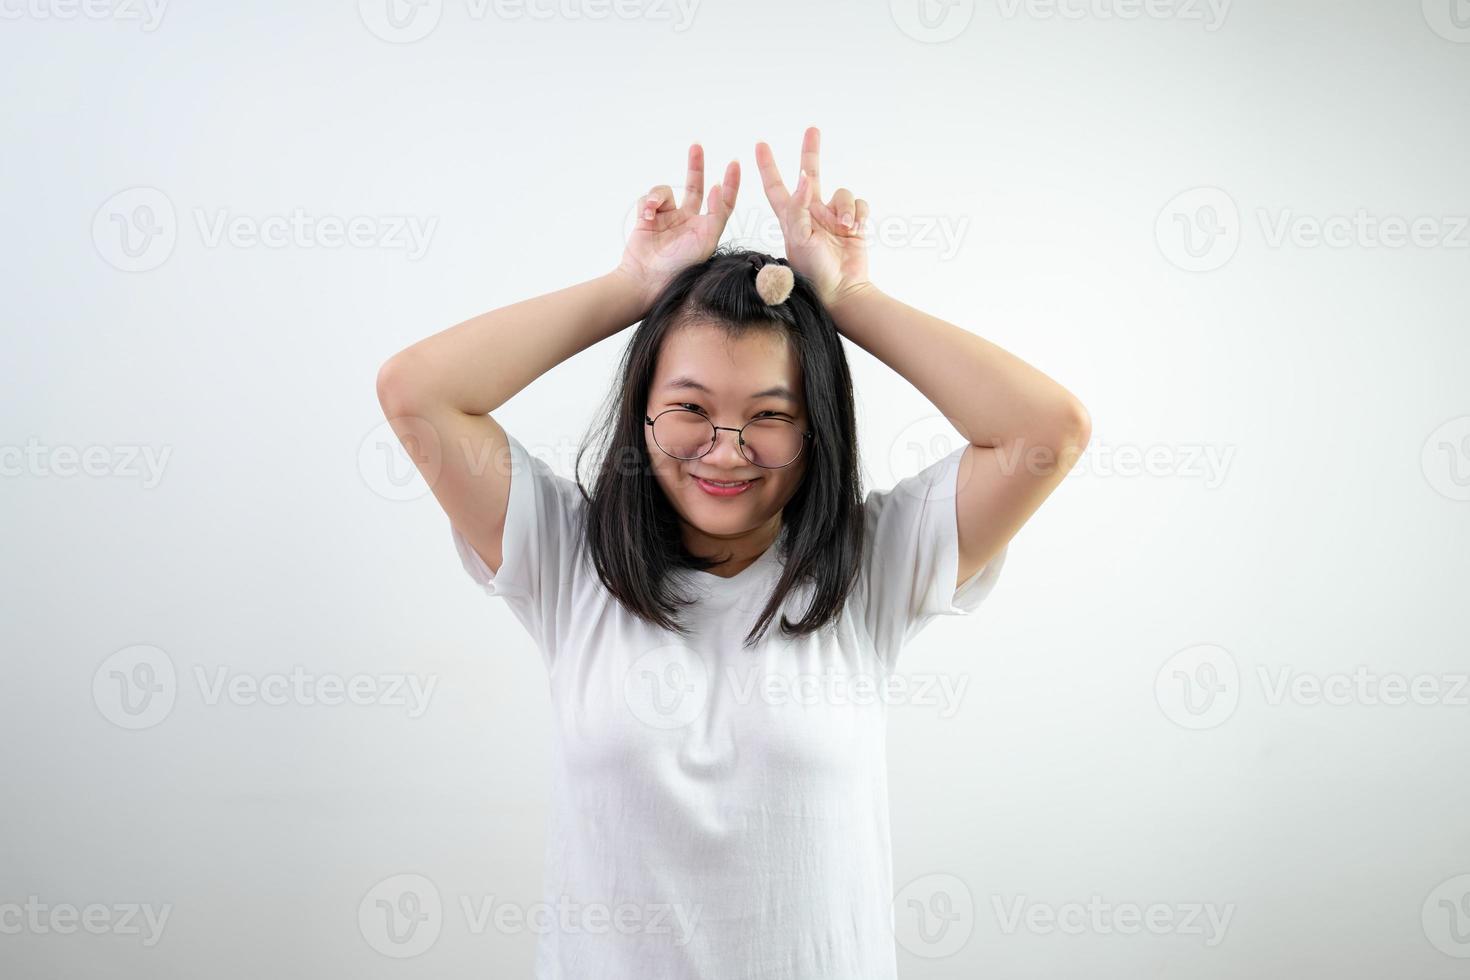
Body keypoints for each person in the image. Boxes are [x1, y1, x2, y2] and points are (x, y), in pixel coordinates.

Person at [375, 127, 1090, 979]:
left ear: (817, 429)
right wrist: (633, 287)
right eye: (690, 408)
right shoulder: (567, 560)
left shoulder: (872, 567)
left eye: (770, 415)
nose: (726, 449)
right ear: (642, 412)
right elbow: (418, 394)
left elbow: (1047, 431)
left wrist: (850, 295)